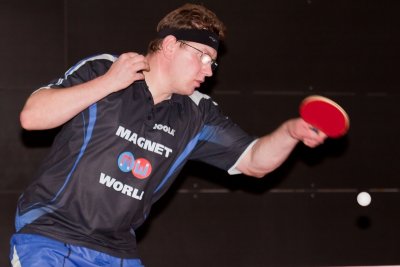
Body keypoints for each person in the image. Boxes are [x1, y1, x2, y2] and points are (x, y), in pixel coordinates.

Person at [10, 3, 326, 266]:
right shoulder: (106, 69)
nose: (208, 69)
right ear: (170, 45)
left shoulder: (196, 113)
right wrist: (109, 83)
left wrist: (291, 132)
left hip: (117, 252)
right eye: (202, 56)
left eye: (213, 63)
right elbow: (32, 116)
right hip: (50, 237)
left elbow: (255, 161)